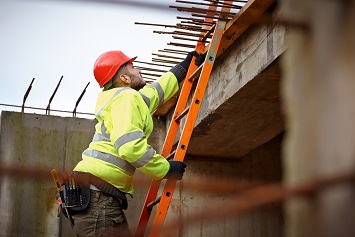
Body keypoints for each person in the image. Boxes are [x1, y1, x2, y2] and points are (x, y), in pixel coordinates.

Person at [70, 49, 205, 237]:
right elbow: (130, 146)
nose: (138, 69)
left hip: (97, 200)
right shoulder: (126, 98)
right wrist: (165, 169)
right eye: (131, 66)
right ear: (124, 78)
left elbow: (153, 94)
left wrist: (182, 68)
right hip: (100, 202)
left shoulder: (122, 99)